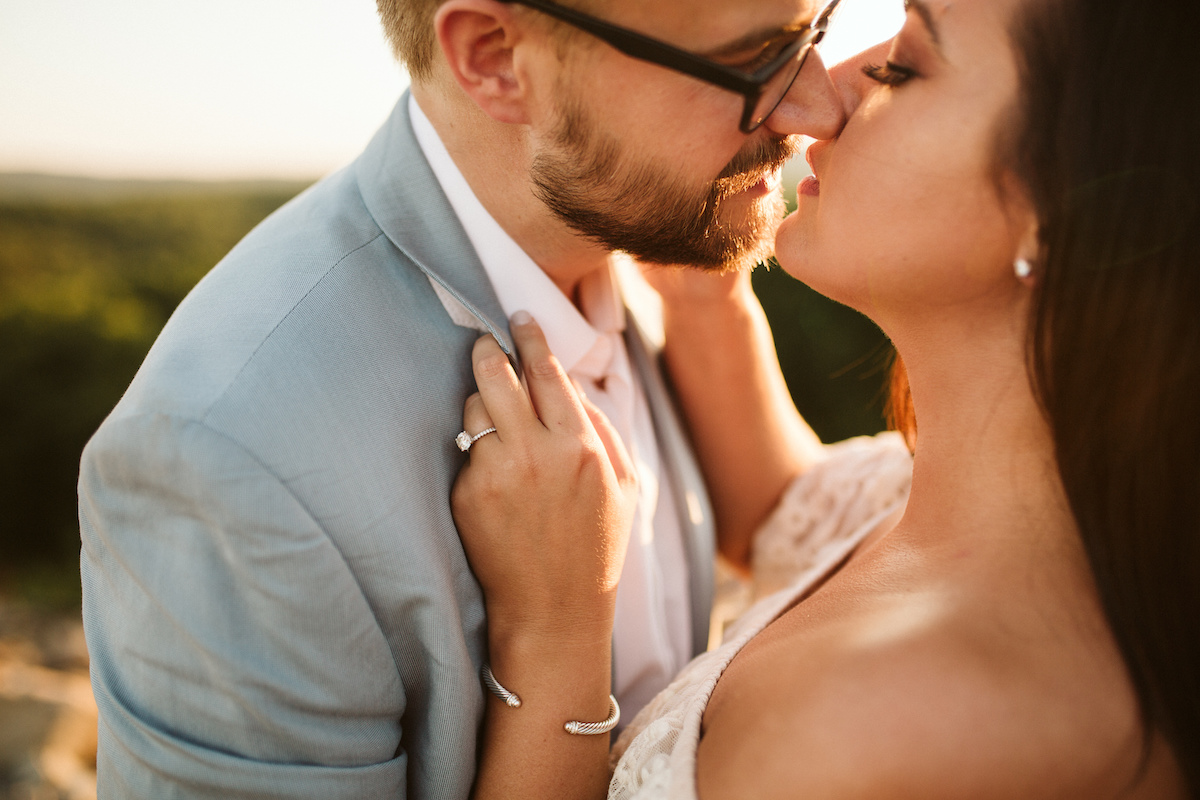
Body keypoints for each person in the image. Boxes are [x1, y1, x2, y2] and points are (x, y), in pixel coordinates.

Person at [75, 0, 845, 797]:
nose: (815, 107)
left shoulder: (662, 244)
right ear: (493, 58)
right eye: (754, 62)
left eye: (816, 27)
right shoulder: (230, 451)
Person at [451, 0, 1200, 795]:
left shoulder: (895, 731)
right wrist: (702, 276)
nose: (815, 97)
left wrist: (556, 641)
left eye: (903, 69)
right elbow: (782, 510)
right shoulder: (977, 512)